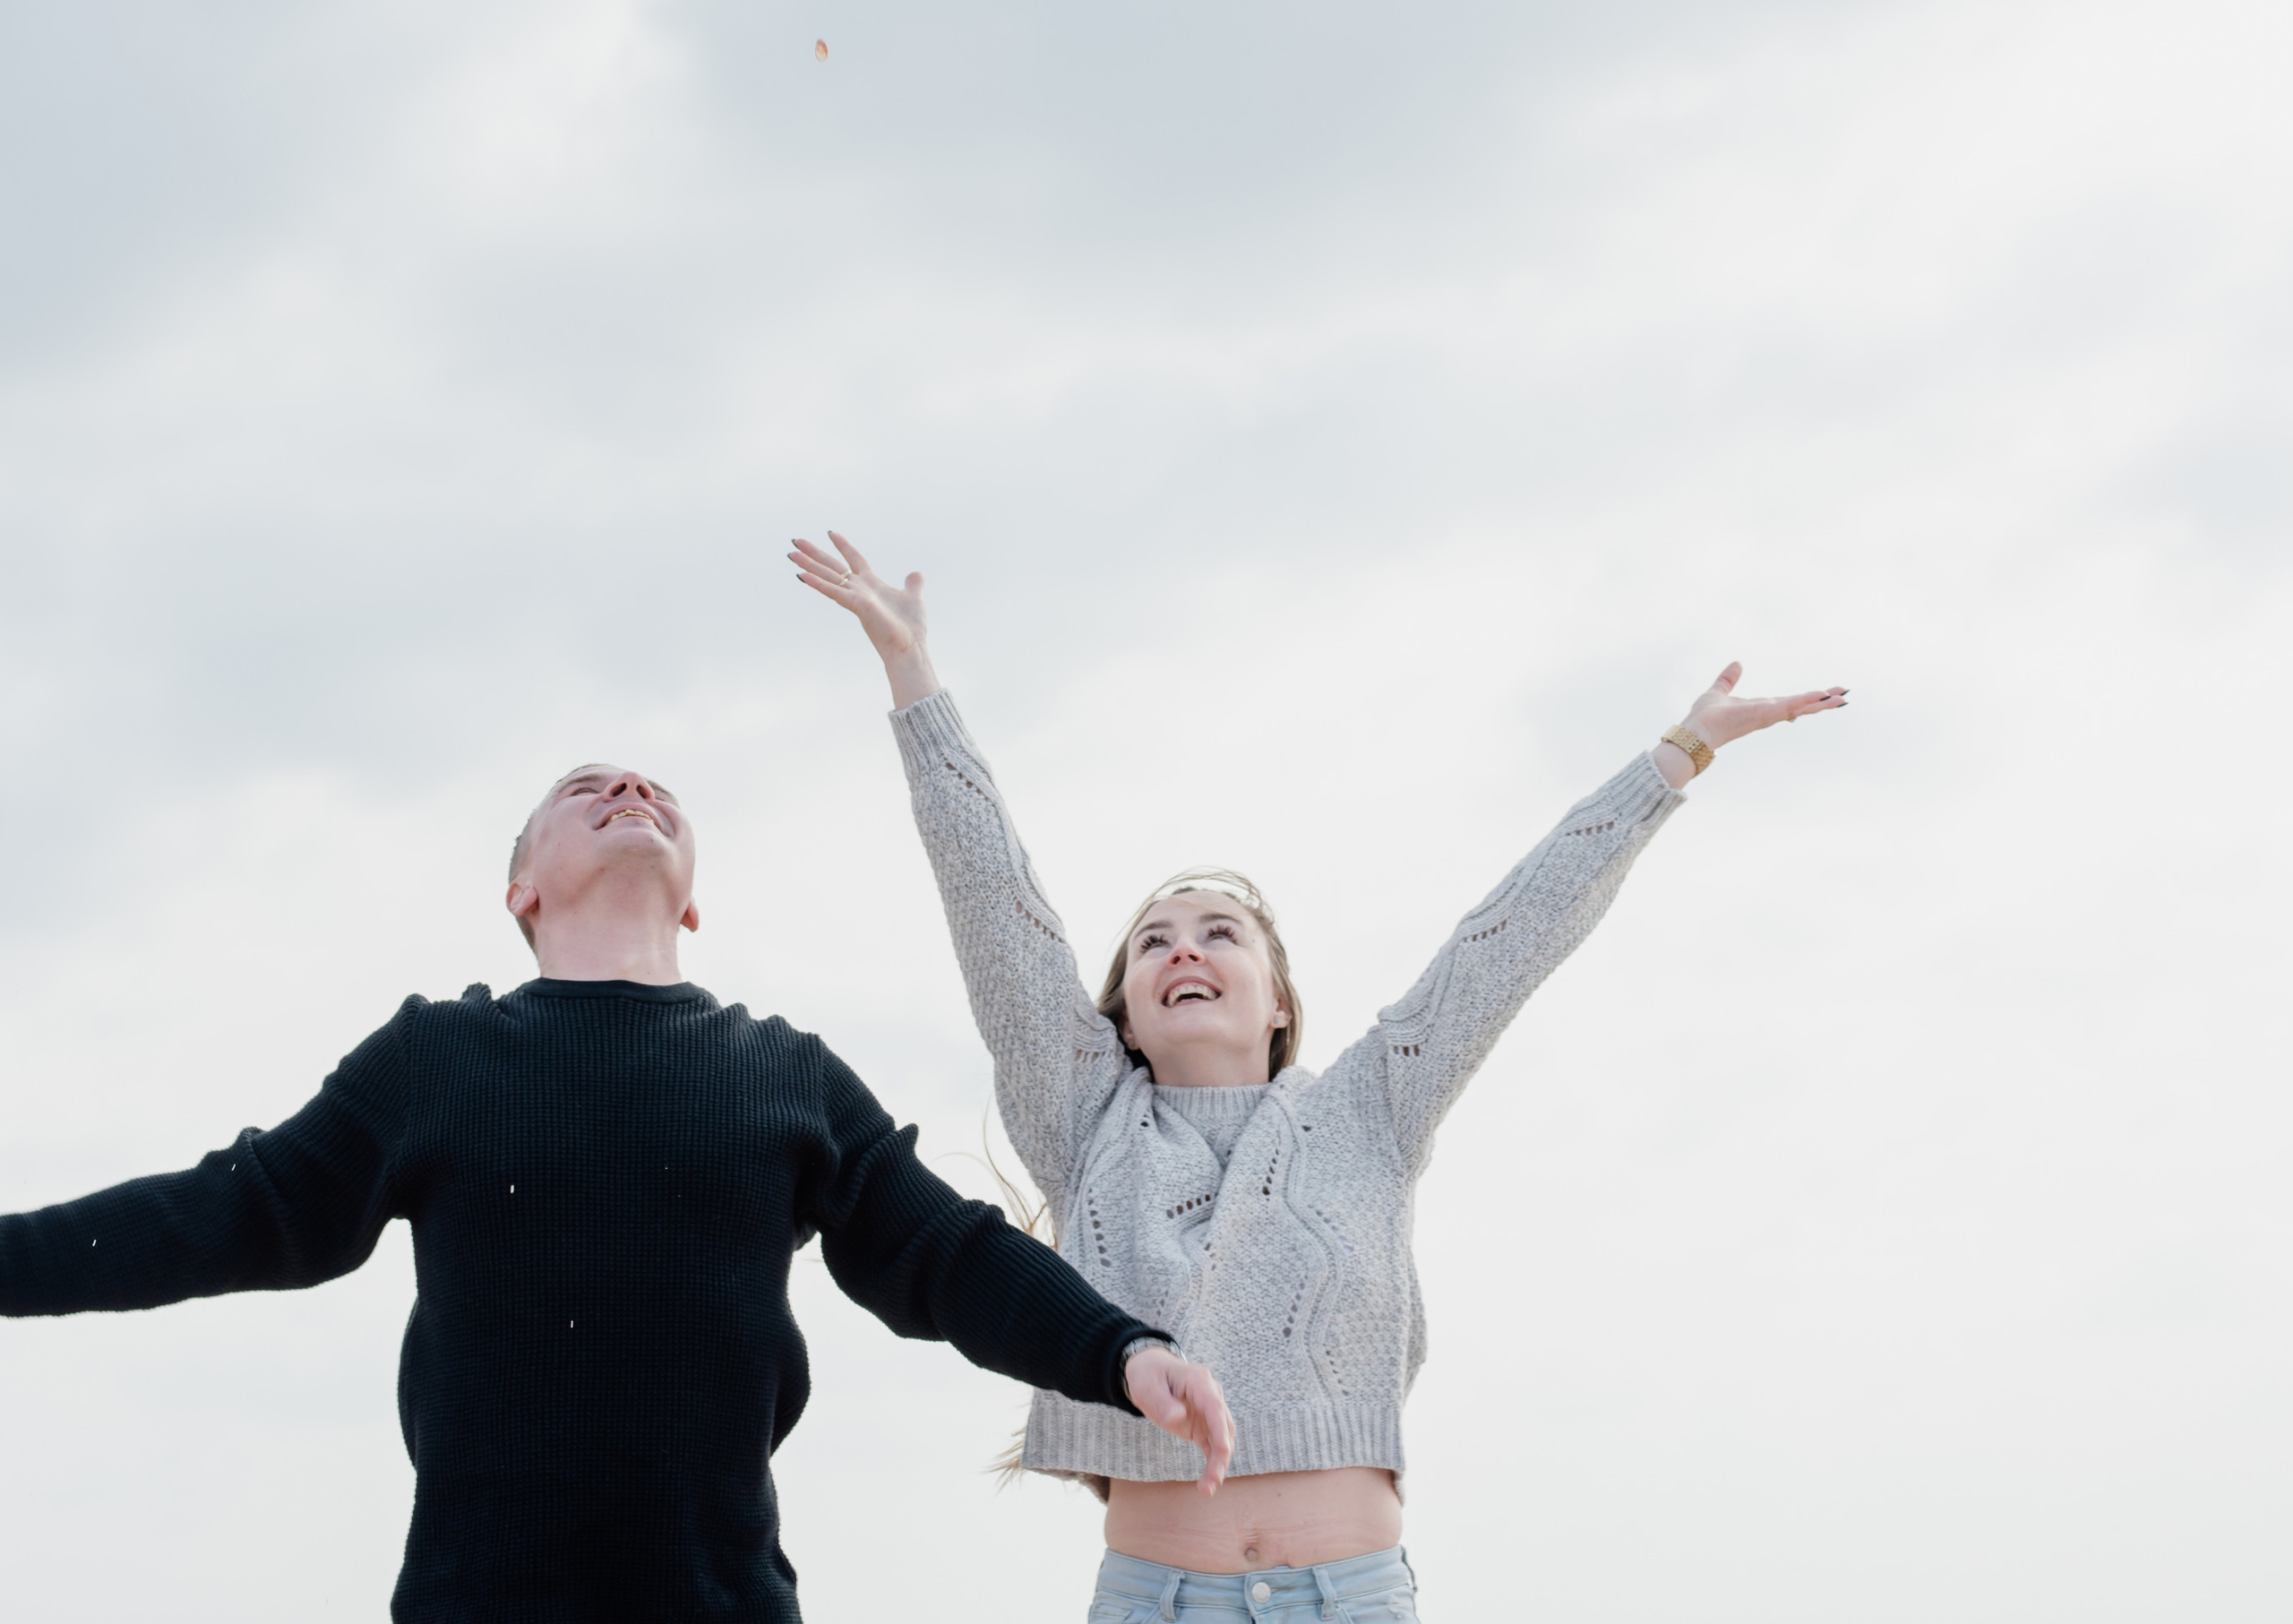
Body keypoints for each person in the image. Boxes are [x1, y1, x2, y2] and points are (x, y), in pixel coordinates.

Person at [794, 530, 1845, 1622]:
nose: (1183, 950)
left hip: (1353, 1599)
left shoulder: (1368, 1111)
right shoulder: (1082, 1117)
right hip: (1154, 1599)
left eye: (1218, 933)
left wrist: (1675, 756)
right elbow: (993, 905)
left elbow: (1511, 937)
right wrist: (913, 674)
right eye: (1152, 942)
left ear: (1280, 1000)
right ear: (1120, 1014)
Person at [0, 756, 1235, 1623]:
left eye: (653, 790)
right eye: (583, 789)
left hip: (723, 1603)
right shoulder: (438, 1057)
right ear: (521, 889)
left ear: (692, 896)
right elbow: (226, 1207)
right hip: (473, 1605)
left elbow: (947, 1253)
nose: (627, 789)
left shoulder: (782, 1072)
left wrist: (1118, 1350)